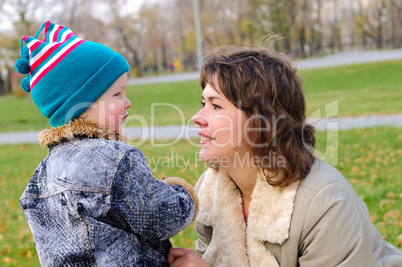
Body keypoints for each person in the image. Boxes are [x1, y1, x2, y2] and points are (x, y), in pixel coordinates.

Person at [167, 39, 402, 266]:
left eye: (216, 106)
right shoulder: (210, 192)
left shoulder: (324, 202)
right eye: (203, 104)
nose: (197, 119)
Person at [15, 21, 198, 267]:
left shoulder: (42, 175)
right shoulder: (114, 159)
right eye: (117, 94)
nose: (128, 102)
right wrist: (181, 192)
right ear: (80, 105)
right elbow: (159, 218)